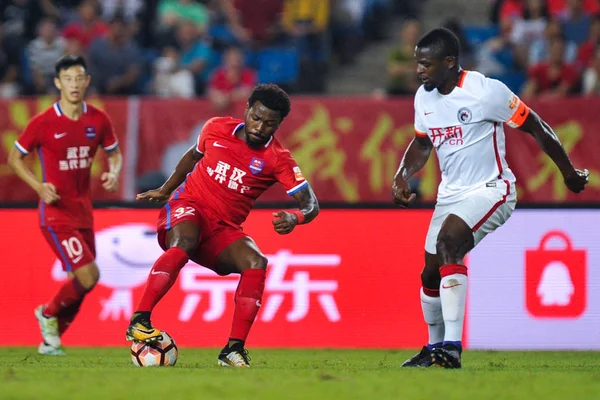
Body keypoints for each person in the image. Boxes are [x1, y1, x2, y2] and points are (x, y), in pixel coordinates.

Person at [392, 28, 589, 369]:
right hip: (449, 195)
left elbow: (537, 126)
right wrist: (401, 174)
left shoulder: (485, 92)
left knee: (448, 243)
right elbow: (423, 143)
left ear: (449, 62)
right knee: (429, 274)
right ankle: (433, 347)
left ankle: (451, 347)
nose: (419, 70)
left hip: (491, 189)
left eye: (426, 64)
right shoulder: (424, 98)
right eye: (417, 63)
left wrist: (568, 171)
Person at [126, 83, 319, 368]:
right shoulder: (216, 128)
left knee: (256, 261)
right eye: (256, 117)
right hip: (188, 206)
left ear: (278, 125)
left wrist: (296, 218)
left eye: (269, 124)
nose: (259, 127)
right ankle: (139, 321)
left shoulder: (278, 159)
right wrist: (167, 189)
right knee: (185, 241)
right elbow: (193, 156)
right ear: (247, 109)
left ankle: (232, 350)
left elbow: (311, 204)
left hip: (223, 228)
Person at [8, 54, 122, 355]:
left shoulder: (98, 119)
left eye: (78, 78)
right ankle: (46, 314)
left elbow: (114, 152)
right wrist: (38, 187)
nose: (74, 84)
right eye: (67, 79)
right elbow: (14, 158)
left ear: (86, 82)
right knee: (89, 275)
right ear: (58, 83)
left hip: (84, 213)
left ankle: (51, 339)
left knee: (82, 283)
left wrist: (114, 171)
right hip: (56, 214)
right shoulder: (44, 122)